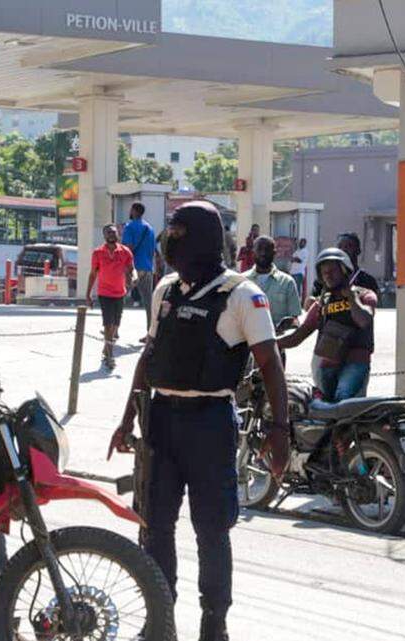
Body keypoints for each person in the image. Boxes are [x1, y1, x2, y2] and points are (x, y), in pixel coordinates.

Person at [108, 201, 290, 641]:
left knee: (211, 530)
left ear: (205, 237)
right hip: (163, 421)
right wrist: (127, 417)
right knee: (154, 526)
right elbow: (149, 356)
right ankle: (160, 620)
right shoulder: (165, 291)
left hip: (210, 424)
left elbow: (271, 367)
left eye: (179, 230)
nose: (170, 237)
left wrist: (279, 432)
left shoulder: (242, 294)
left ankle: (214, 625)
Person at [279, 248, 376, 402]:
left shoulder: (364, 295)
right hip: (327, 366)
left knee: (344, 400)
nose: (328, 276)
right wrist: (271, 343)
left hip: (355, 363)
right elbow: (300, 334)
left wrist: (351, 297)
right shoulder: (322, 302)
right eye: (324, 273)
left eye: (332, 271)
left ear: (345, 270)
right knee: (325, 410)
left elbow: (364, 320)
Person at [87, 224, 134, 370]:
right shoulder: (98, 253)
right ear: (104, 236)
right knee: (108, 324)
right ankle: (109, 356)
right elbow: (93, 273)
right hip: (104, 293)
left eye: (114, 232)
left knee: (115, 326)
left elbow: (131, 269)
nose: (112, 235)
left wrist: (132, 278)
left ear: (118, 234)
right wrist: (88, 294)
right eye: (109, 233)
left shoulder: (125, 252)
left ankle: (106, 347)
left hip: (120, 293)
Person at [243, 235, 302, 328]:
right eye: (260, 249)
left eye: (267, 249)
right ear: (253, 253)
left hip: (279, 340)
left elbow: (294, 320)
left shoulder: (287, 282)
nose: (263, 253)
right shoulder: (241, 281)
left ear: (274, 253)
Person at [121, 202, 157, 335]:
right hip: (147, 267)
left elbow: (128, 248)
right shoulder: (150, 228)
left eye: (131, 209)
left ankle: (113, 330)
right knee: (149, 302)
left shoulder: (129, 227)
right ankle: (151, 333)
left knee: (119, 297)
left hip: (133, 268)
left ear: (135, 211)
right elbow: (153, 251)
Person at [311, 232, 380, 299]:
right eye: (340, 247)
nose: (343, 250)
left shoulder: (368, 280)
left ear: (358, 250)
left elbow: (376, 306)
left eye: (349, 246)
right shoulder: (325, 279)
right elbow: (310, 304)